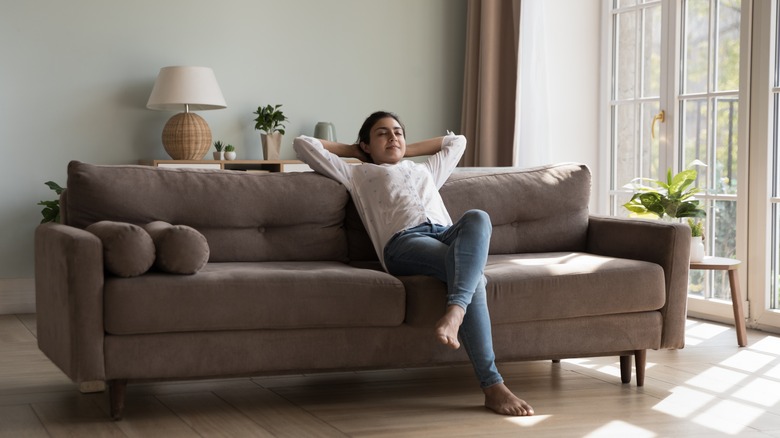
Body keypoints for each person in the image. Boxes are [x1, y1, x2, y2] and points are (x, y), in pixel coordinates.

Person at [293, 111, 534, 417]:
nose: (392, 137)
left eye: (398, 132)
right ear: (366, 145)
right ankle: (492, 385)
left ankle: (455, 312)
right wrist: (357, 151)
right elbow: (303, 144)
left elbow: (456, 142)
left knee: (478, 217)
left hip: (446, 235)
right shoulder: (356, 173)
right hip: (404, 243)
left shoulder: (426, 170)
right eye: (382, 133)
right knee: (475, 279)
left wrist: (402, 148)